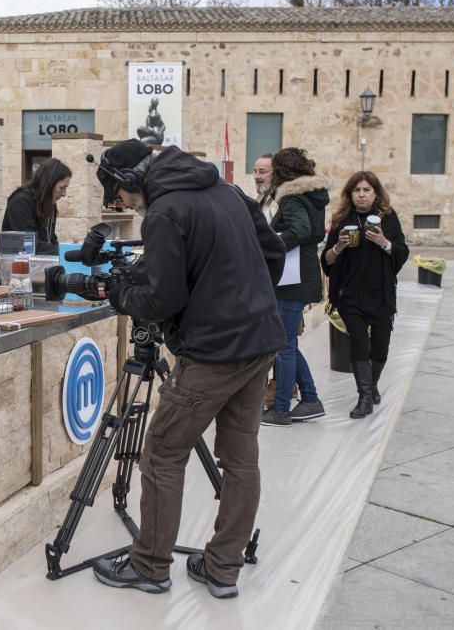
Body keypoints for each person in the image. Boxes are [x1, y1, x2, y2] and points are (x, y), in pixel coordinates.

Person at [90, 139, 286, 599]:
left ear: (130, 181)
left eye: (121, 196)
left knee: (161, 452)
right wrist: (244, 300)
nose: (125, 205)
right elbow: (272, 254)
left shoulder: (163, 212)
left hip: (214, 350)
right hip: (259, 340)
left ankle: (150, 565)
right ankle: (223, 567)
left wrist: (118, 294)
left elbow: (163, 300)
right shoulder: (225, 190)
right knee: (240, 459)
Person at [321, 171, 409, 419]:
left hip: (380, 292)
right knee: (358, 340)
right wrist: (339, 246)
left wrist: (384, 242)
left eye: (366, 190)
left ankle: (372, 385)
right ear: (350, 194)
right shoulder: (341, 220)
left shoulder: (388, 219)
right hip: (350, 293)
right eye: (356, 190)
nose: (361, 194)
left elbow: (401, 251)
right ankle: (365, 397)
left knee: (380, 345)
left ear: (375, 193)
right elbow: (326, 260)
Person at [261, 148, 329, 427]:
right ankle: (311, 400)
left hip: (292, 279)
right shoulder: (311, 196)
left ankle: (281, 410)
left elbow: (299, 231)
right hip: (302, 275)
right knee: (286, 341)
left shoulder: (291, 198)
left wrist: (272, 246)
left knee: (284, 344)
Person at [1, 158, 71, 255]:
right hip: (18, 266)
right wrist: (65, 252)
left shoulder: (50, 204)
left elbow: (50, 239)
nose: (64, 194)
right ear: (49, 183)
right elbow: (29, 244)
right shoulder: (21, 201)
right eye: (61, 188)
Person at [252, 153, 277, 223]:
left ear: (276, 173)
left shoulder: (283, 200)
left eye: (262, 172)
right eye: (255, 171)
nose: (256, 177)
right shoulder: (262, 196)